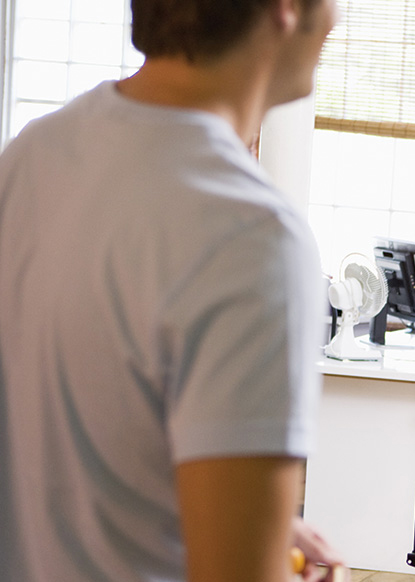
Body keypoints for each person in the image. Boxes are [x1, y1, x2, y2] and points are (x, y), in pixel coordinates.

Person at [0, 0, 345, 580]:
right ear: (286, 10)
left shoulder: (30, 157)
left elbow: (73, 444)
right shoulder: (252, 236)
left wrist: (236, 512)